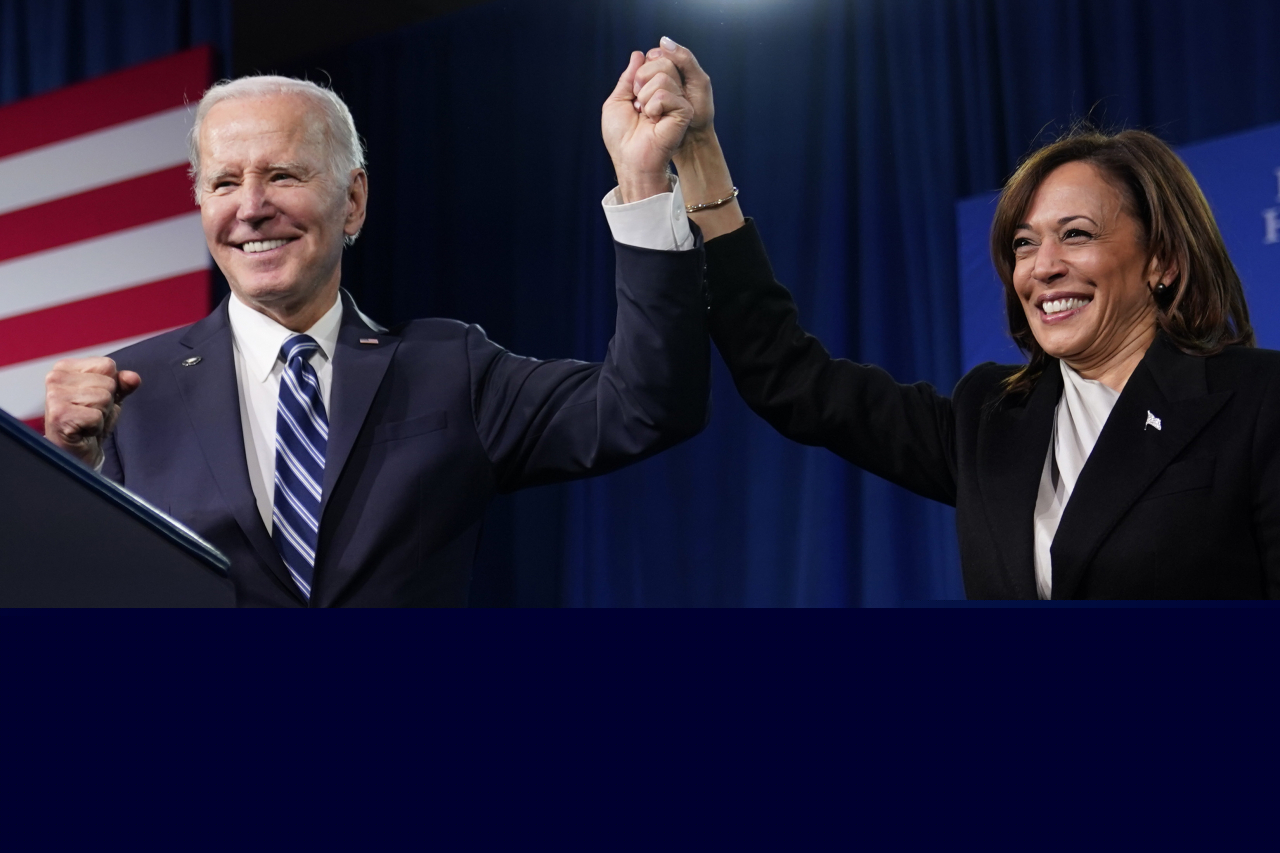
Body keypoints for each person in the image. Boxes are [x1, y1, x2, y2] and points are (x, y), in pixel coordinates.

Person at [42, 53, 710, 607]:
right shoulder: (131, 395)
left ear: (352, 200)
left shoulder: (451, 369)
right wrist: (68, 472)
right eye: (224, 182)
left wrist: (643, 180)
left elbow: (646, 407)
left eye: (282, 174)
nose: (251, 208)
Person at [632, 38, 1280, 599]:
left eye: (1075, 234)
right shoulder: (990, 418)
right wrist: (698, 157)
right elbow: (790, 378)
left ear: (1162, 258)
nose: (1042, 266)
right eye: (1024, 243)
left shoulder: (1255, 401)